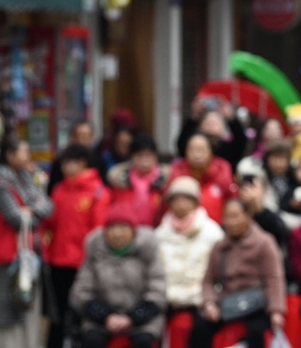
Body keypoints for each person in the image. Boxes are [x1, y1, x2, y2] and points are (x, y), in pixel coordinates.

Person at [191, 198, 286, 348]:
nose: (231, 222)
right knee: (200, 328)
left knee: (257, 332)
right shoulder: (220, 246)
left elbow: (274, 278)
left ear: (248, 216)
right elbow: (209, 280)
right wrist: (209, 303)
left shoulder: (264, 242)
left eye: (236, 216)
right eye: (227, 216)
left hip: (257, 303)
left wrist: (276, 310)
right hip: (228, 301)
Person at [69, 204, 168, 348]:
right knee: (92, 340)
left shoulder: (147, 252)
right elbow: (81, 292)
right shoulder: (94, 252)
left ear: (133, 231)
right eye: (112, 228)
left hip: (142, 321)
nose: (117, 234)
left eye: (123, 228)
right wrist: (106, 316)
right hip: (101, 320)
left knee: (144, 341)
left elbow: (158, 290)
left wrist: (133, 317)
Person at [0, 139, 55, 348]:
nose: (29, 156)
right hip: (9, 256)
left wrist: (30, 211)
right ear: (9, 155)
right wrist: (34, 211)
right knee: (8, 313)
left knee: (30, 308)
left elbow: (49, 205)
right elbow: (16, 219)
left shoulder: (27, 178)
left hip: (30, 255)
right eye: (24, 151)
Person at [43, 143, 111, 348]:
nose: (65, 167)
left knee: (82, 313)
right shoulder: (58, 190)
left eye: (69, 163)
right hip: (57, 260)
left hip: (83, 262)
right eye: (63, 163)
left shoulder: (98, 192)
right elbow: (49, 224)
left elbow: (98, 232)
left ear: (82, 163)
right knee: (57, 314)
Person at [155, 177, 225, 348]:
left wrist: (210, 299)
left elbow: (220, 271)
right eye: (176, 199)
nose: (181, 204)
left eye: (186, 199)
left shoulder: (212, 232)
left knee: (202, 330)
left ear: (195, 203)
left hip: (201, 299)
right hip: (167, 298)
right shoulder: (159, 234)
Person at [165, 132, 237, 224]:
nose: (197, 155)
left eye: (201, 150)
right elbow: (168, 203)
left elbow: (232, 198)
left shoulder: (222, 168)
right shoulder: (176, 170)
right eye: (193, 150)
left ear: (211, 151)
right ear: (186, 152)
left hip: (218, 227)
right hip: (181, 228)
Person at [107, 134, 170, 226]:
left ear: (156, 156)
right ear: (131, 157)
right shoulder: (120, 181)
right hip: (127, 232)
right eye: (139, 156)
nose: (144, 160)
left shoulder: (164, 180)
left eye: (148, 155)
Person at [236, 157, 291, 254]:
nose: (248, 190)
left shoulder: (272, 218)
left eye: (253, 186)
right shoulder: (235, 213)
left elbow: (280, 235)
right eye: (244, 186)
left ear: (263, 190)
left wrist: (257, 207)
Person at [178, 95, 248, 167]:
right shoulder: (195, 144)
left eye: (215, 122)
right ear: (200, 126)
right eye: (208, 122)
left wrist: (231, 119)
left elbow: (241, 141)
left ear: (223, 128)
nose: (211, 125)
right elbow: (181, 143)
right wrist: (194, 117)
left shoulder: (228, 149)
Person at [50, 121, 96, 193]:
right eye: (79, 136)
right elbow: (52, 187)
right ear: (72, 137)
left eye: (86, 136)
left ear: (92, 138)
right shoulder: (61, 160)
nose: (83, 139)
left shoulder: (98, 159)